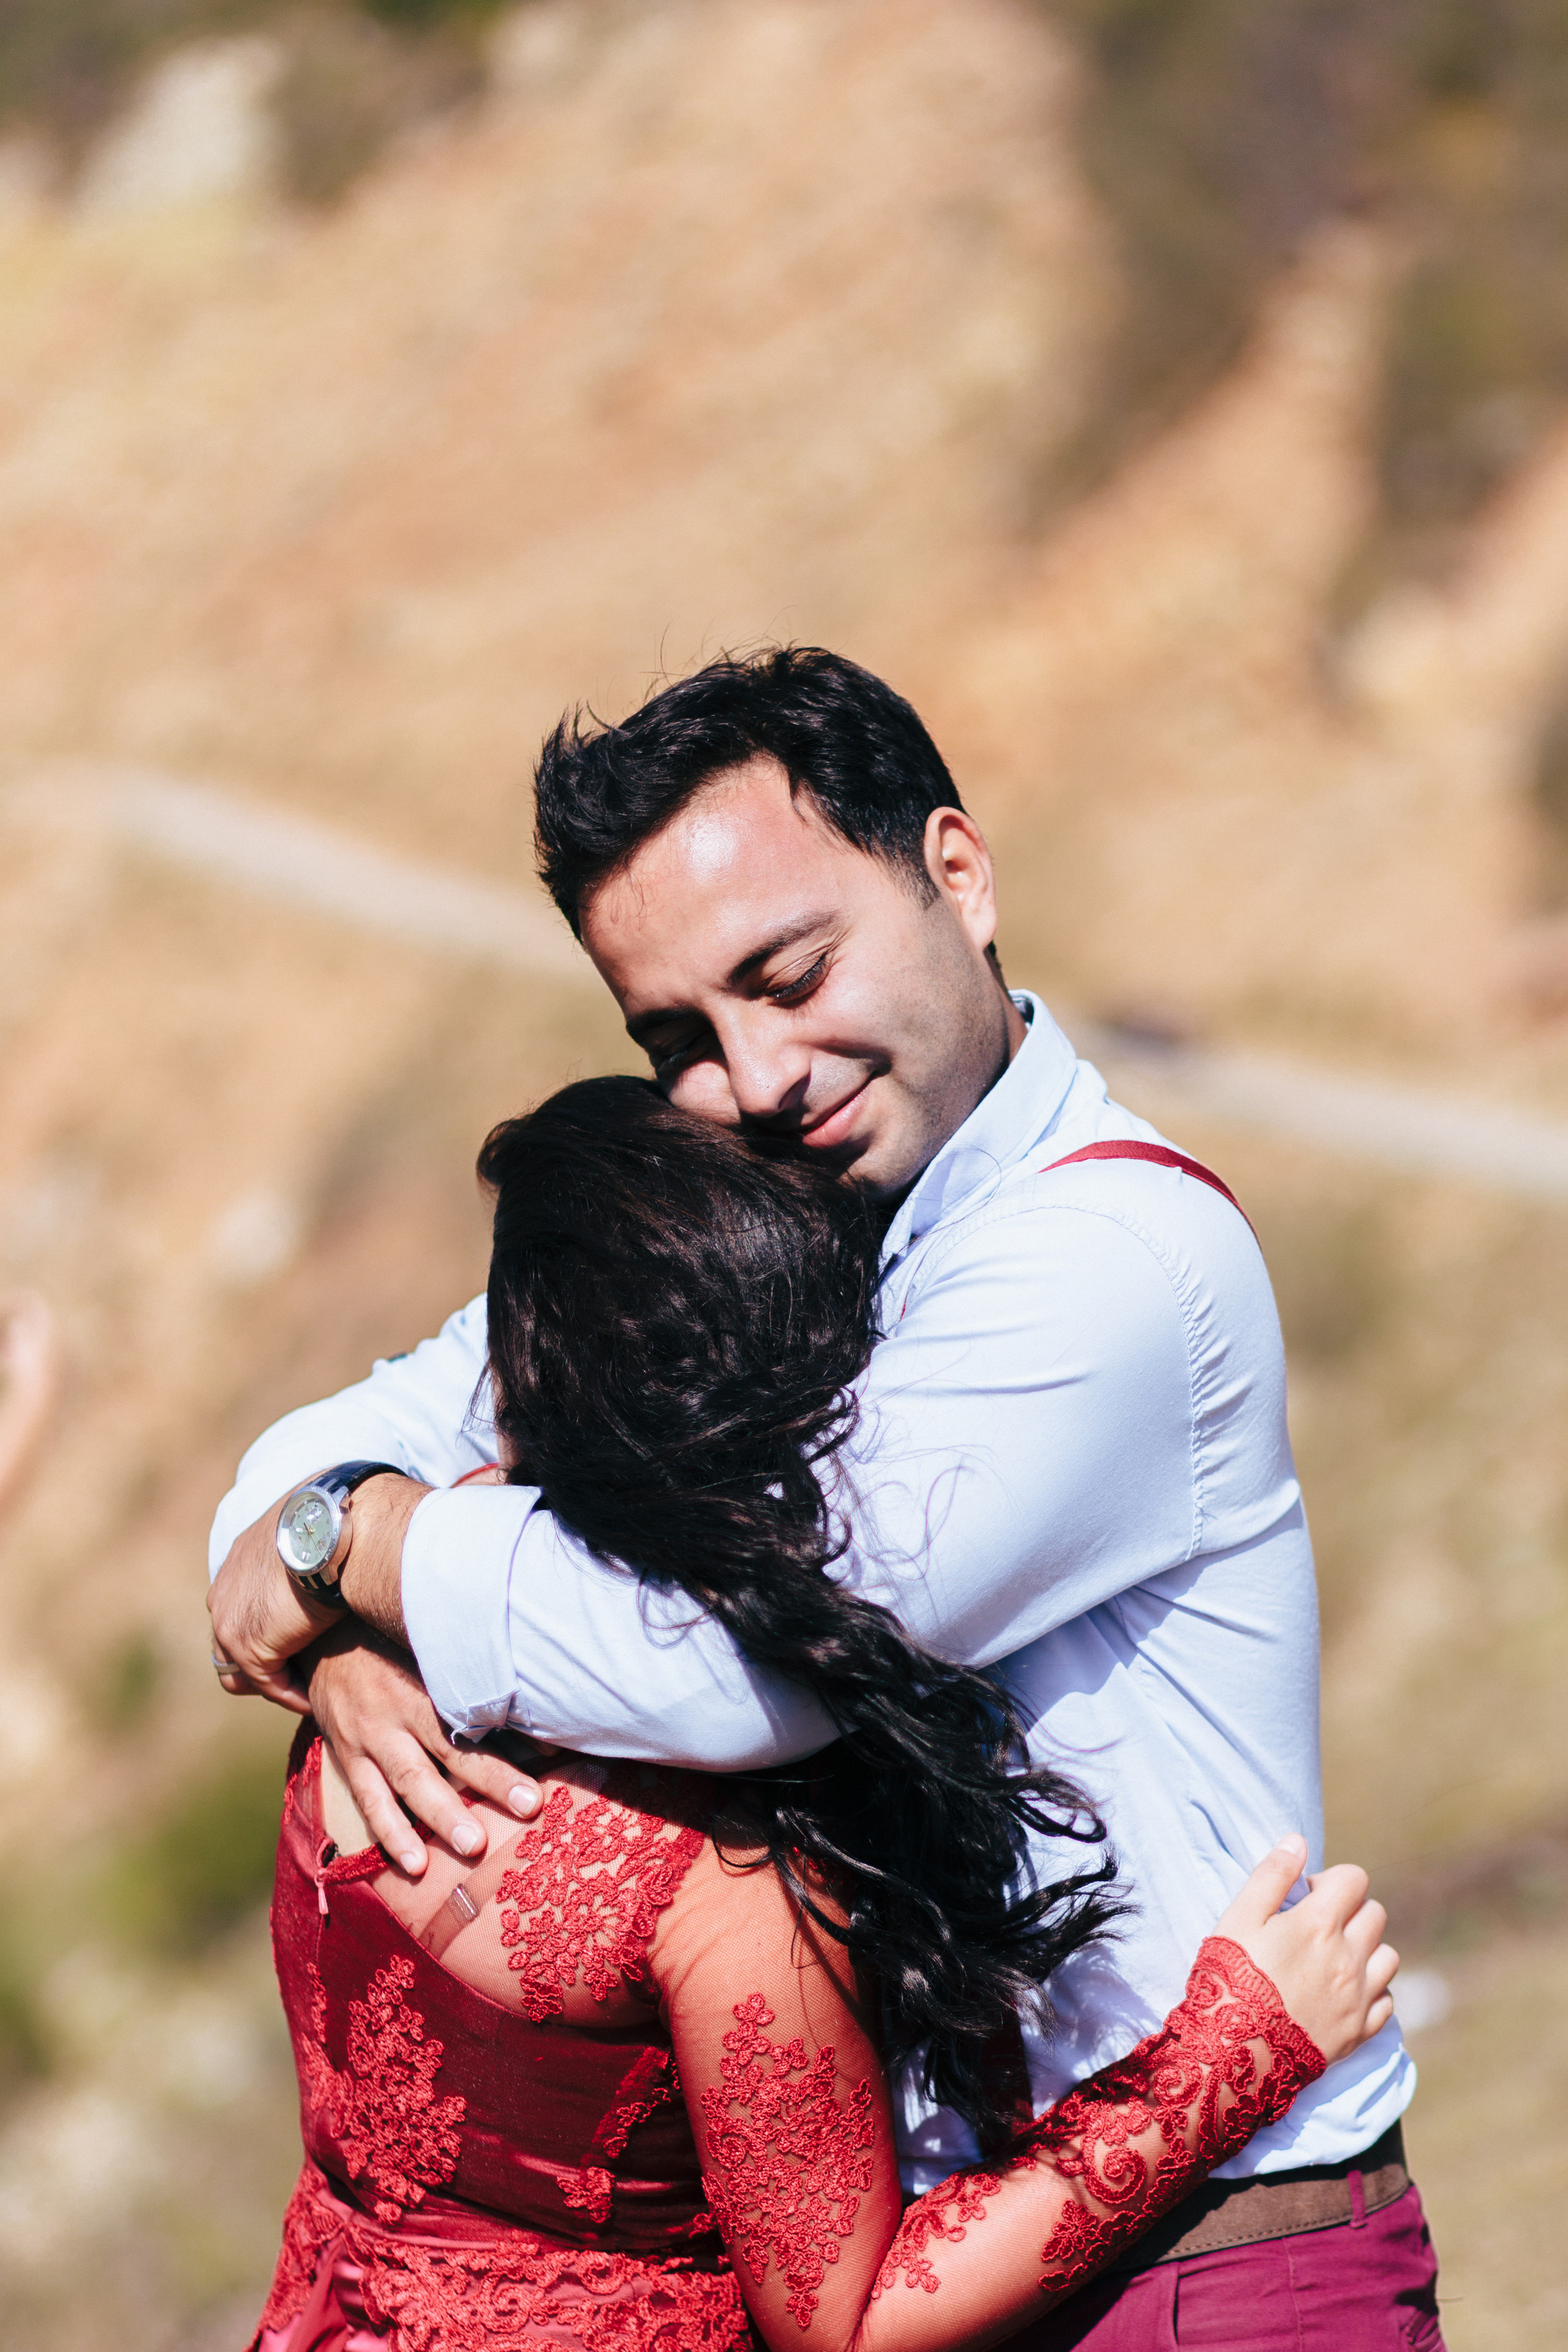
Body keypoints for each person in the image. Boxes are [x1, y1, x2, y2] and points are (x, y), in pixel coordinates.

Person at [211, 649, 1441, 2346]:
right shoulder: (775, 1243)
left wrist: (371, 1554)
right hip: (933, 2259)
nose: (760, 1075)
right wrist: (321, 1558)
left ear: (958, 871)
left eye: (788, 974)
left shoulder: (1116, 1263)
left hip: (1209, 2250)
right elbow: (328, 1444)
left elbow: (742, 1669)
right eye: (682, 1042)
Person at [252, 1077, 1396, 2352]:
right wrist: (1225, 2057)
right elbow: (842, 2324)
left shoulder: (370, 1649)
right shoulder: (710, 1866)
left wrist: (341, 1601)